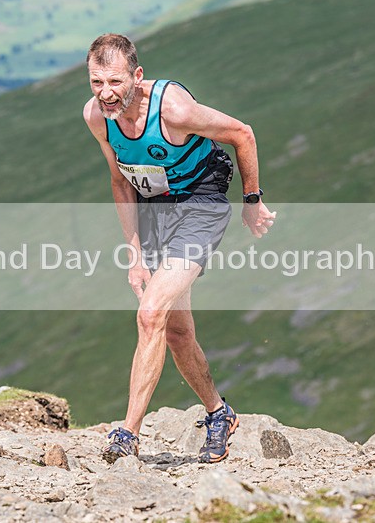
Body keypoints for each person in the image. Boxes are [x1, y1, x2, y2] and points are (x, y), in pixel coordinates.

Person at [82, 33, 276, 464]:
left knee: (150, 313)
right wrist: (134, 255)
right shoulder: (97, 116)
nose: (106, 93)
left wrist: (252, 200)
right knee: (175, 331)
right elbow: (120, 181)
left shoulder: (173, 108)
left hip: (199, 206)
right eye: (96, 82)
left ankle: (128, 433)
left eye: (114, 81)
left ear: (137, 75)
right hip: (154, 211)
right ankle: (219, 413)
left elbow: (242, 133)